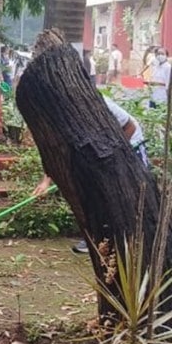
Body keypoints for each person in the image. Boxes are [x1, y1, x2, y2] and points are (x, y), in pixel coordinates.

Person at [33, 96, 148, 253]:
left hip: (130, 144)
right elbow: (58, 151)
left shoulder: (99, 102)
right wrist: (46, 181)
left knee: (132, 192)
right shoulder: (59, 117)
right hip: (99, 149)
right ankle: (98, 239)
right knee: (94, 192)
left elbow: (130, 127)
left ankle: (137, 239)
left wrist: (111, 157)